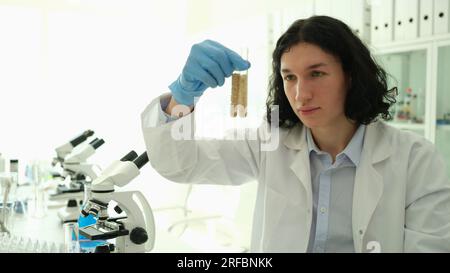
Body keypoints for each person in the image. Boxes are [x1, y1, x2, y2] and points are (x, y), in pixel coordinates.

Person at [140, 16, 450, 252]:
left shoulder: (415, 160)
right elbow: (180, 165)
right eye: (289, 77)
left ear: (351, 76)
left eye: (316, 73)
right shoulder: (269, 142)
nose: (300, 95)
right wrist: (183, 96)